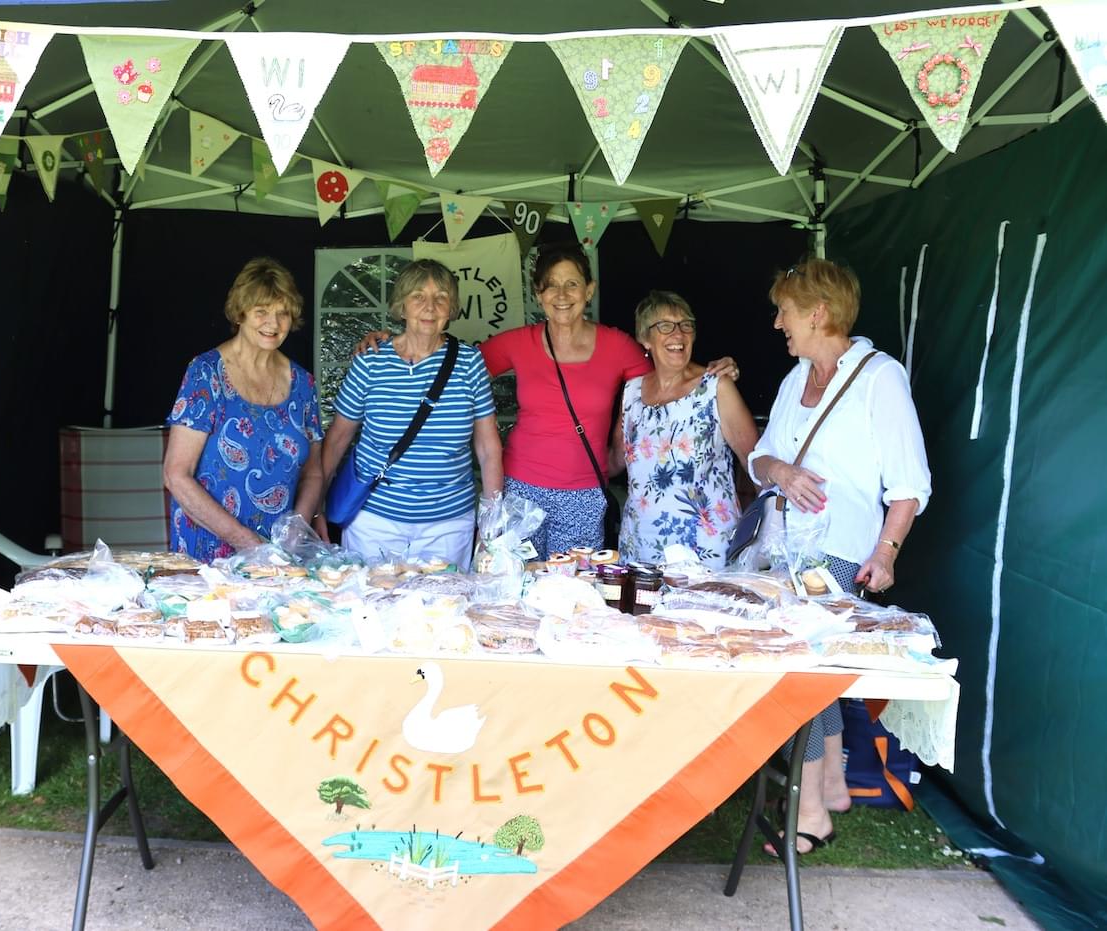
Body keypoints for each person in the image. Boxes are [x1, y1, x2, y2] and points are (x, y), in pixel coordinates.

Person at [356, 242, 739, 558]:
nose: (562, 295)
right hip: (520, 489)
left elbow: (664, 378)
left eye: (572, 284)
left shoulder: (619, 346)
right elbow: (446, 362)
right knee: (514, 594)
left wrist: (711, 371)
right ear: (539, 294)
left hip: (585, 493)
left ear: (589, 290)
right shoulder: (517, 343)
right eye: (551, 286)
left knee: (571, 598)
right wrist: (396, 340)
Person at [749, 257, 932, 856]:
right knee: (808, 676)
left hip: (837, 556)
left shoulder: (881, 377)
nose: (778, 322)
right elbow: (760, 460)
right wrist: (780, 469)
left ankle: (811, 810)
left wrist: (886, 551)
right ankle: (830, 785)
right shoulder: (792, 378)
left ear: (818, 313)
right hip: (780, 551)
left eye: (786, 311)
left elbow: (909, 484)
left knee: (801, 675)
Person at [317, 259, 503, 568]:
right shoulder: (371, 360)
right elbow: (337, 440)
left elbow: (488, 449)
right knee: (369, 612)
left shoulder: (470, 363)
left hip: (447, 525)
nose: (430, 306)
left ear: (452, 307)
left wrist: (490, 526)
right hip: (374, 522)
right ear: (401, 306)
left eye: (441, 296)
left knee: (443, 613)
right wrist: (317, 506)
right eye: (418, 295)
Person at [162, 257, 323, 562]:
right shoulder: (205, 373)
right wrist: (248, 544)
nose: (273, 324)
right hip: (208, 551)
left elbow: (313, 474)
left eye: (283, 313)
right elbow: (176, 474)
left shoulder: (302, 384)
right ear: (241, 313)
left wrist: (293, 535)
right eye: (262, 311)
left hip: (278, 560)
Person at [609, 291, 758, 567]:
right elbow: (618, 459)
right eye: (665, 325)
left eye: (685, 325)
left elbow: (756, 461)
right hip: (641, 543)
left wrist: (773, 524)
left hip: (705, 546)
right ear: (645, 339)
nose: (678, 334)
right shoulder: (631, 392)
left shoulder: (716, 387)